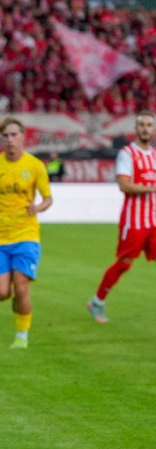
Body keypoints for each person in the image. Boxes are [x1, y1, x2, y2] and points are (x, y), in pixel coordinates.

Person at [0, 117, 53, 349]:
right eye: (6, 136)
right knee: (1, 293)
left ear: (23, 137)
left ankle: (22, 336)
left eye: (14, 135)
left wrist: (36, 207)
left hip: (27, 234)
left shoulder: (35, 165)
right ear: (2, 139)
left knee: (21, 287)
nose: (10, 140)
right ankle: (17, 301)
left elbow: (48, 198)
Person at [87, 112, 156, 323]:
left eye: (149, 125)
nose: (145, 129)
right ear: (135, 129)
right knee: (125, 264)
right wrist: (152, 187)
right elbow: (124, 185)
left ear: (153, 130)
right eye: (141, 125)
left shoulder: (154, 155)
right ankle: (97, 302)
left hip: (154, 218)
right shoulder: (127, 154)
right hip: (134, 219)